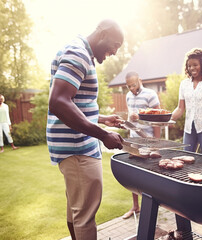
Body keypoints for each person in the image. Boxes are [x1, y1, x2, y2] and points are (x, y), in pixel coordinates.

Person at [47, 19, 124, 240]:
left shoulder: (79, 51)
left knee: (76, 210)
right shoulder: (78, 53)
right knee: (85, 217)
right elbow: (59, 102)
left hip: (75, 146)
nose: (115, 52)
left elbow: (74, 103)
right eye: (115, 44)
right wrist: (103, 135)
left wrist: (102, 119)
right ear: (102, 34)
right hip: (78, 148)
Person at [122, 71, 161, 219]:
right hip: (133, 140)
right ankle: (135, 207)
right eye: (128, 86)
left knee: (149, 176)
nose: (131, 88)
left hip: (148, 140)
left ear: (140, 80)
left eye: (133, 84)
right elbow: (129, 117)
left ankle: (152, 209)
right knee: (133, 174)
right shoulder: (128, 96)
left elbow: (157, 119)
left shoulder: (151, 95)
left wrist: (156, 145)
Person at [171, 48, 202, 155]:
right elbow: (180, 109)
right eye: (189, 66)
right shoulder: (184, 84)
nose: (192, 68)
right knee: (186, 158)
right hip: (189, 129)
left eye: (195, 65)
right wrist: (167, 119)